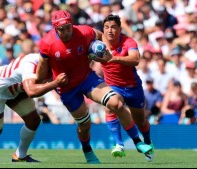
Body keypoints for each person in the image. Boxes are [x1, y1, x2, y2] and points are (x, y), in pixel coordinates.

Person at [36, 10, 152, 164]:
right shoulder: (47, 43)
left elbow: (99, 35)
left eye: (68, 27)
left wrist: (101, 50)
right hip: (67, 88)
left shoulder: (84, 31)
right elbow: (41, 73)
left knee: (115, 102)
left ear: (72, 24)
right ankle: (88, 151)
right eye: (61, 29)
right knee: (84, 125)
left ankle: (137, 142)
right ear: (55, 29)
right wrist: (52, 80)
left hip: (87, 79)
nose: (66, 32)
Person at [101, 14, 154, 161]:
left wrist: (113, 58)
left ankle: (148, 142)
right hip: (113, 86)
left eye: (113, 27)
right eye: (106, 27)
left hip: (133, 87)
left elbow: (136, 59)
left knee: (141, 121)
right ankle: (119, 145)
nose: (109, 30)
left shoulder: (128, 41)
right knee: (111, 105)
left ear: (119, 29)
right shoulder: (99, 43)